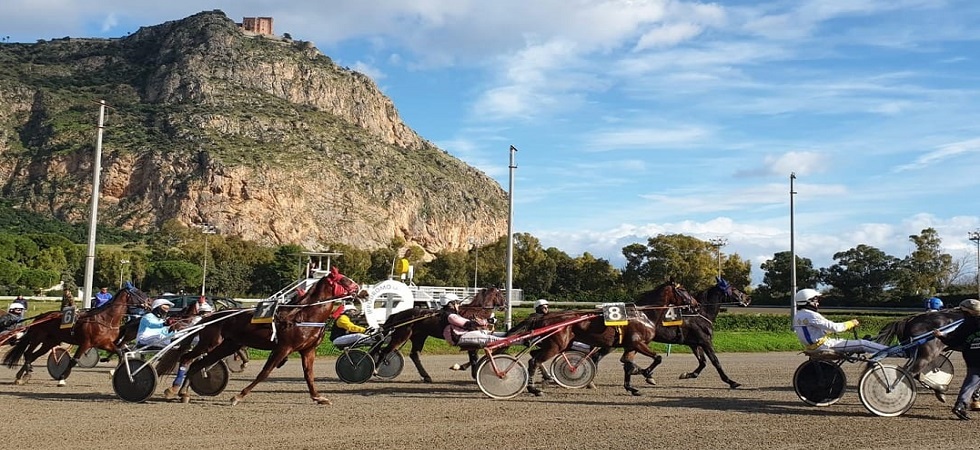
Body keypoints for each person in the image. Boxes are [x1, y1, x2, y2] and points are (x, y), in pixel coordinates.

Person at [792, 288, 892, 355]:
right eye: (816, 300)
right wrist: (851, 323)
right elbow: (835, 327)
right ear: (810, 301)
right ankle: (897, 352)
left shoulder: (798, 315)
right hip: (825, 345)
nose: (818, 303)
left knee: (857, 342)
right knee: (863, 343)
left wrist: (832, 331)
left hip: (814, 346)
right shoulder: (811, 314)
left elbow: (814, 332)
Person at [933, 299, 980, 420]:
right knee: (972, 381)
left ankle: (960, 405)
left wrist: (941, 336)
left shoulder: (965, 326)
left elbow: (953, 341)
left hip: (971, 357)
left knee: (972, 381)